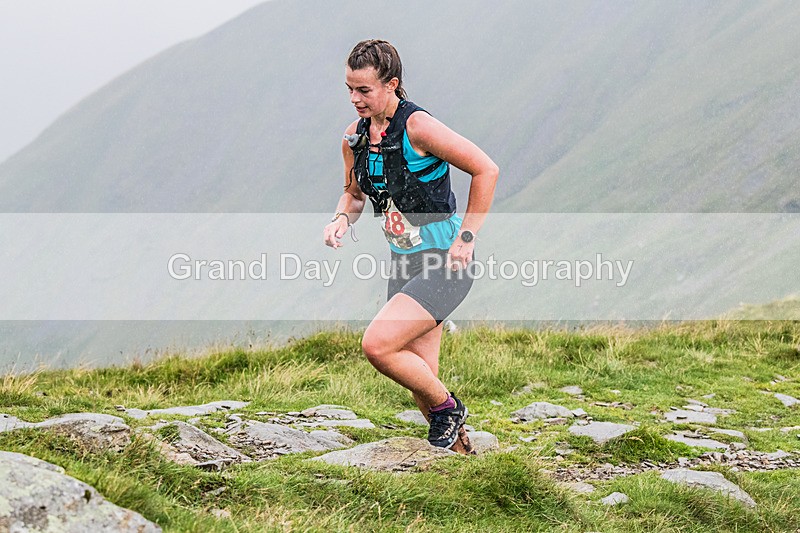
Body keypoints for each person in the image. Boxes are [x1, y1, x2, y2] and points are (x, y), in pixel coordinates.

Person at [323, 39, 498, 451]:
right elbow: (353, 195)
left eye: (363, 90)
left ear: (392, 85)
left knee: (378, 346)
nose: (354, 99)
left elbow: (486, 169)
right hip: (403, 262)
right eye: (349, 89)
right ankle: (463, 460)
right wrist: (339, 221)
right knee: (422, 377)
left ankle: (450, 408)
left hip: (445, 261)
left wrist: (467, 237)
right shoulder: (355, 137)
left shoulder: (418, 127)